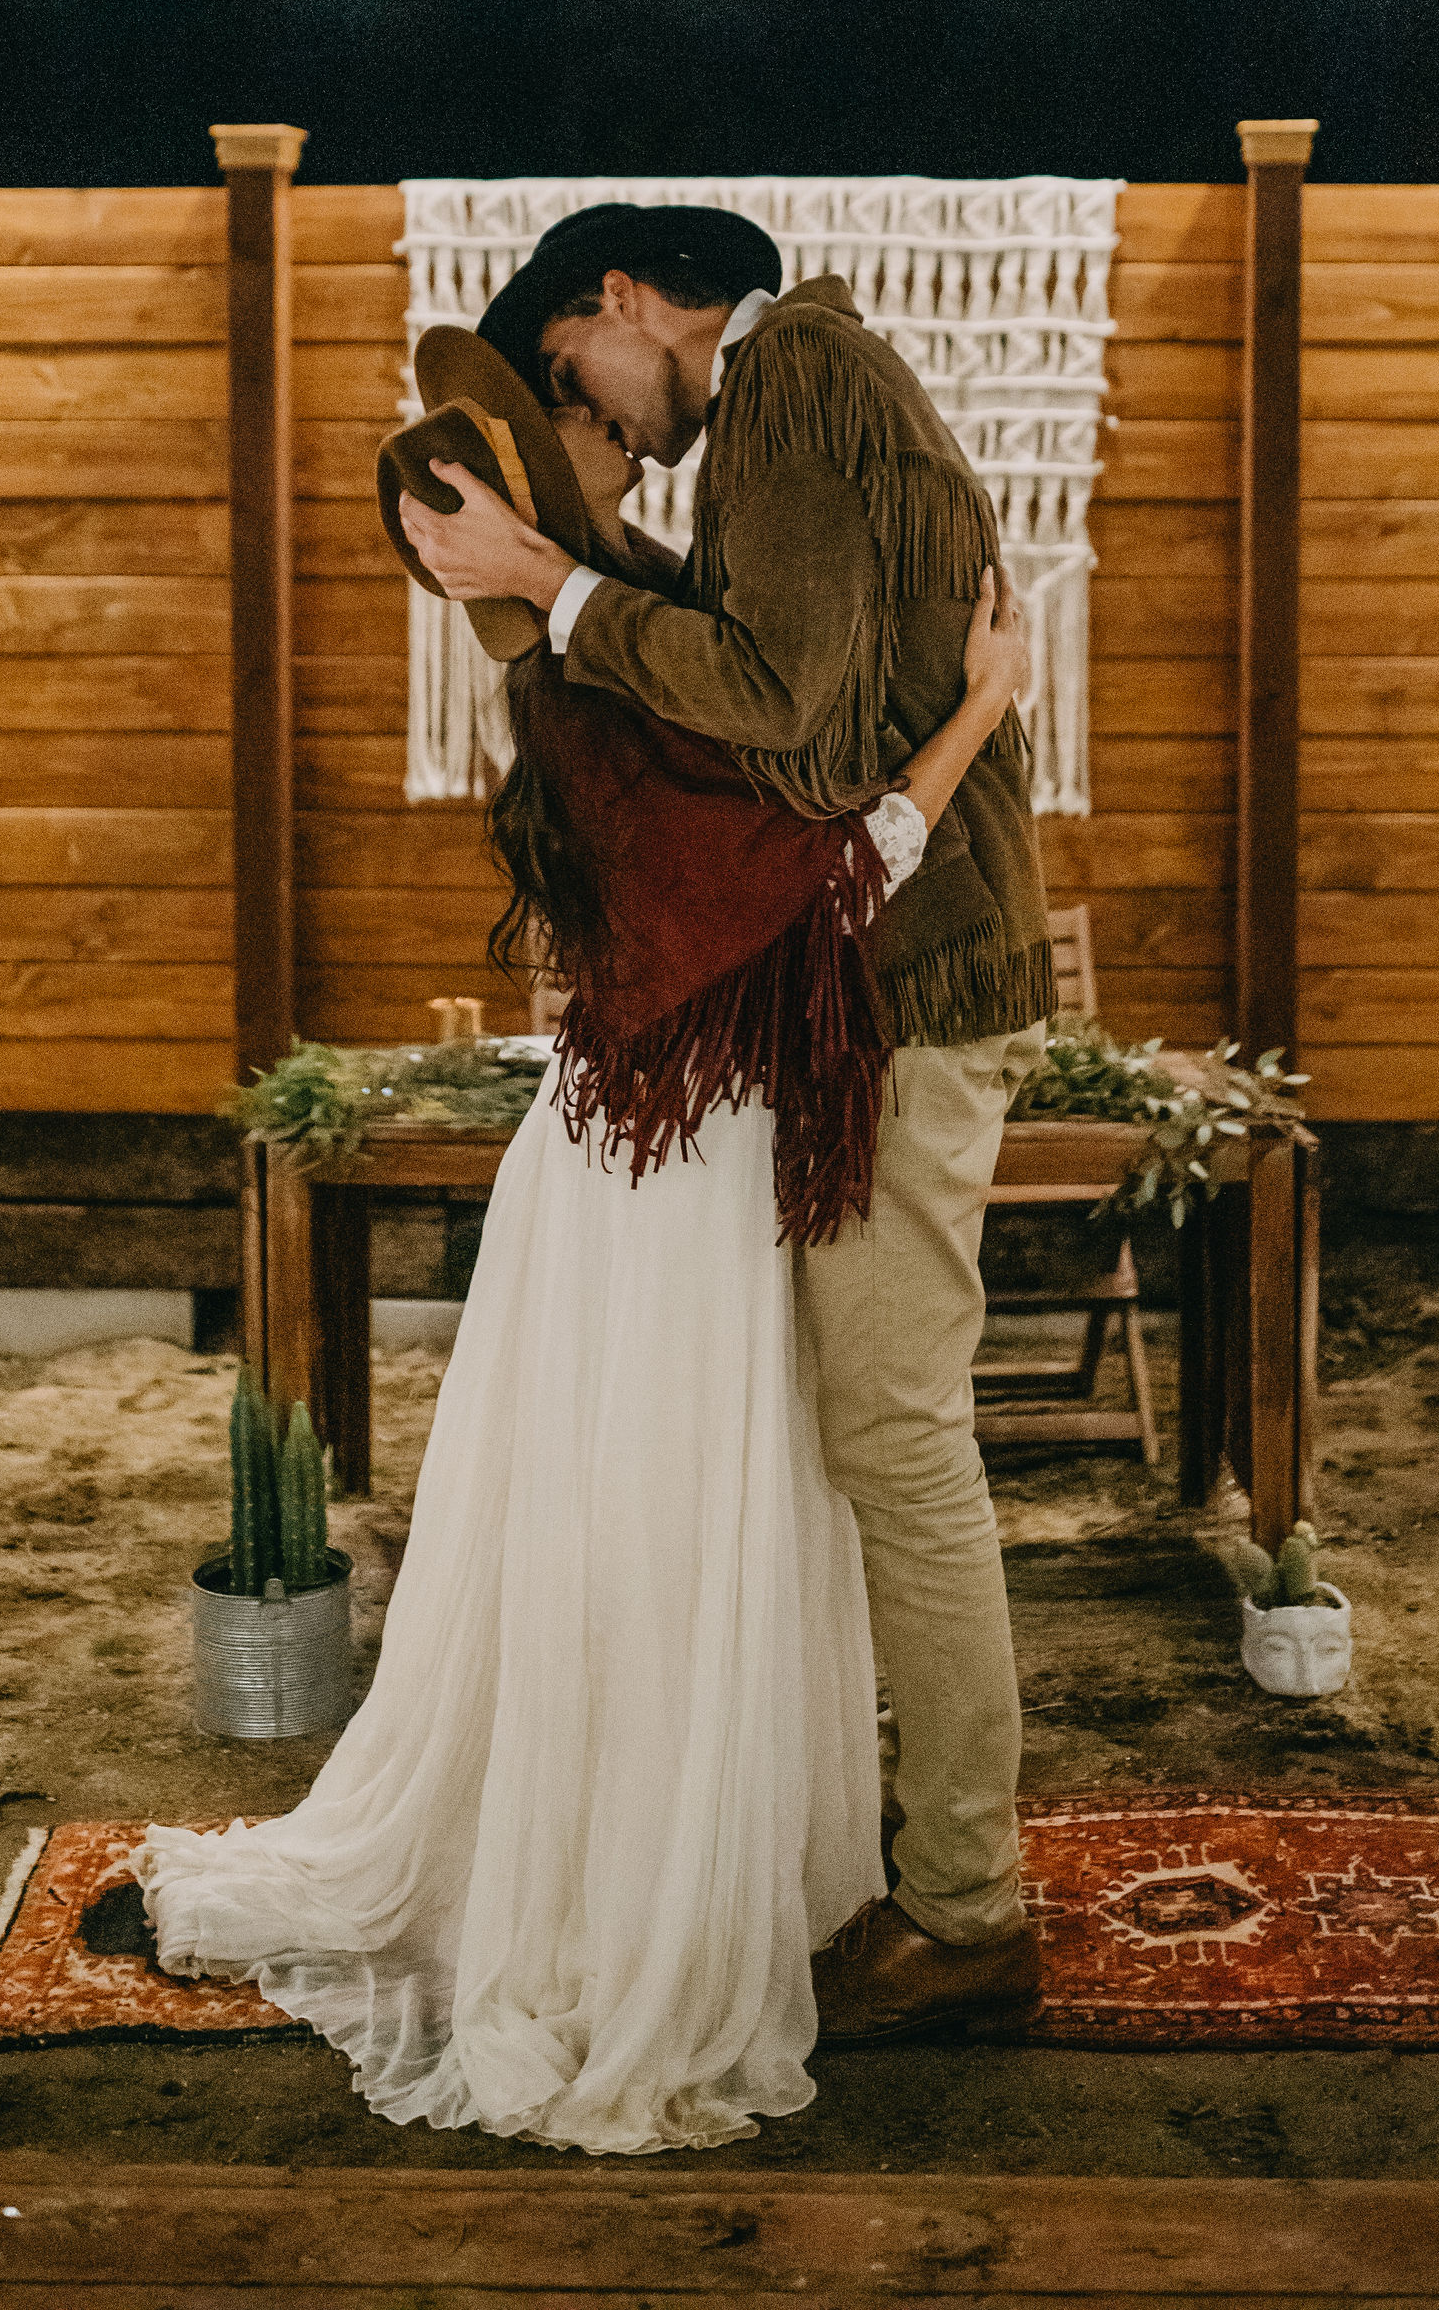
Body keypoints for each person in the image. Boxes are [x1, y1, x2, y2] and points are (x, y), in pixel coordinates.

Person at [137, 333, 1031, 2156]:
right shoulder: (591, 680)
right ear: (505, 505)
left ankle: (688, 1851)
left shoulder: (613, 643)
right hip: (672, 1179)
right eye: (562, 421)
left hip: (661, 1155)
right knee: (676, 1519)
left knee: (680, 1516)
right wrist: (978, 714)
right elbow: (821, 876)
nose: (604, 429)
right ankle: (654, 1893)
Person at [397, 204, 1057, 2047]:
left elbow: (785, 715)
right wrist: (565, 584)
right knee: (870, 1442)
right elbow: (797, 708)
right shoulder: (807, 390)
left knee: (902, 1445)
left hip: (902, 992)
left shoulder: (788, 382)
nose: (601, 427)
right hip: (876, 980)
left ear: (621, 302)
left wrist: (561, 578)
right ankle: (899, 1864)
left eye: (571, 380)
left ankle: (968, 1908)